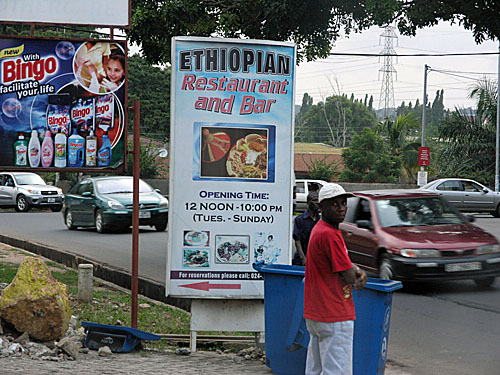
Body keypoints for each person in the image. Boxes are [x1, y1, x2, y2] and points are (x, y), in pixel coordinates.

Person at [304, 183, 368, 375]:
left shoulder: (319, 229)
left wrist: (354, 269)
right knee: (337, 371)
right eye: (334, 204)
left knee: (315, 369)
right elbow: (348, 275)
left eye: (343, 203)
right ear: (321, 207)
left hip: (316, 313)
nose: (341, 208)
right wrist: (358, 272)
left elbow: (344, 266)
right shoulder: (330, 235)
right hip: (334, 312)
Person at [292, 191, 320, 266]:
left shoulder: (321, 220)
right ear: (308, 202)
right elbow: (297, 240)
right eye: (314, 200)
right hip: (302, 258)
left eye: (318, 200)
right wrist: (303, 258)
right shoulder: (300, 220)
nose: (317, 202)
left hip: (317, 259)